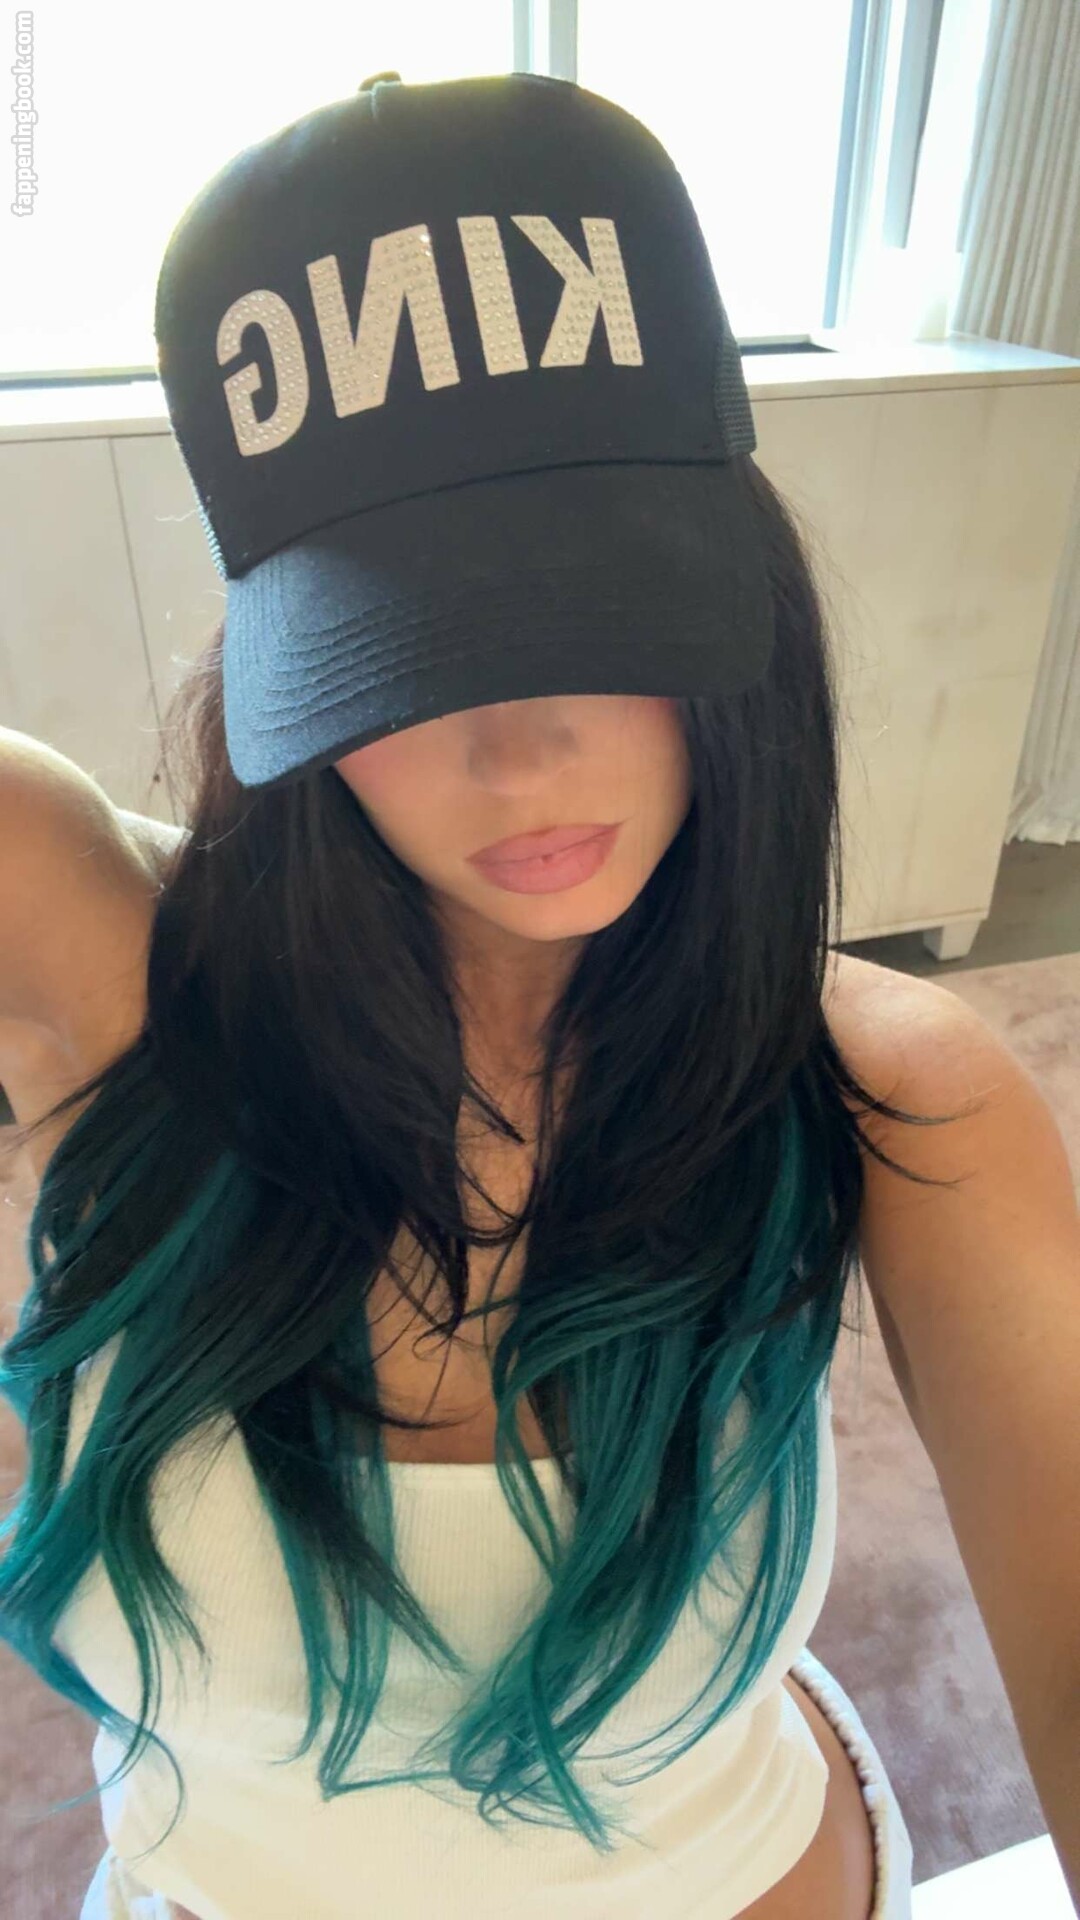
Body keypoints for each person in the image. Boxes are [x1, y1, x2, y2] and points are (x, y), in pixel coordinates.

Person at [0, 71, 928, 1918]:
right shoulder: (110, 985)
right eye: (405, 649)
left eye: (592, 610)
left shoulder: (888, 1085)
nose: (515, 752)